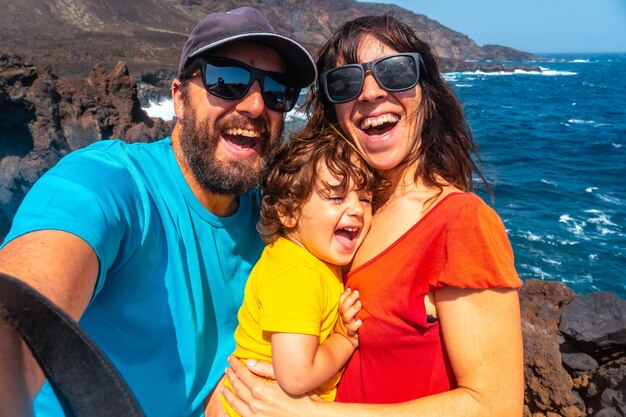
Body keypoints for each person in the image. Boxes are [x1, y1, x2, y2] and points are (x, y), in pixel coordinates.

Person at [0, 7, 316, 417]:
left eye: (277, 91)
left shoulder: (275, 225)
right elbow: (18, 311)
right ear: (179, 98)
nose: (256, 105)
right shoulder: (112, 182)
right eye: (227, 80)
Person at [222, 14, 525, 417]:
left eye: (396, 71)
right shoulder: (344, 215)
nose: (369, 92)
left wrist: (311, 413)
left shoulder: (459, 222)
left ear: (428, 92)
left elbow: (495, 406)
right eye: (345, 82)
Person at [219, 132, 378, 416]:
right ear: (288, 212)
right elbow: (296, 378)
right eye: (337, 196)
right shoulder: (297, 276)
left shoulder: (304, 258)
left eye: (365, 199)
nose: (356, 209)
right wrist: (344, 338)